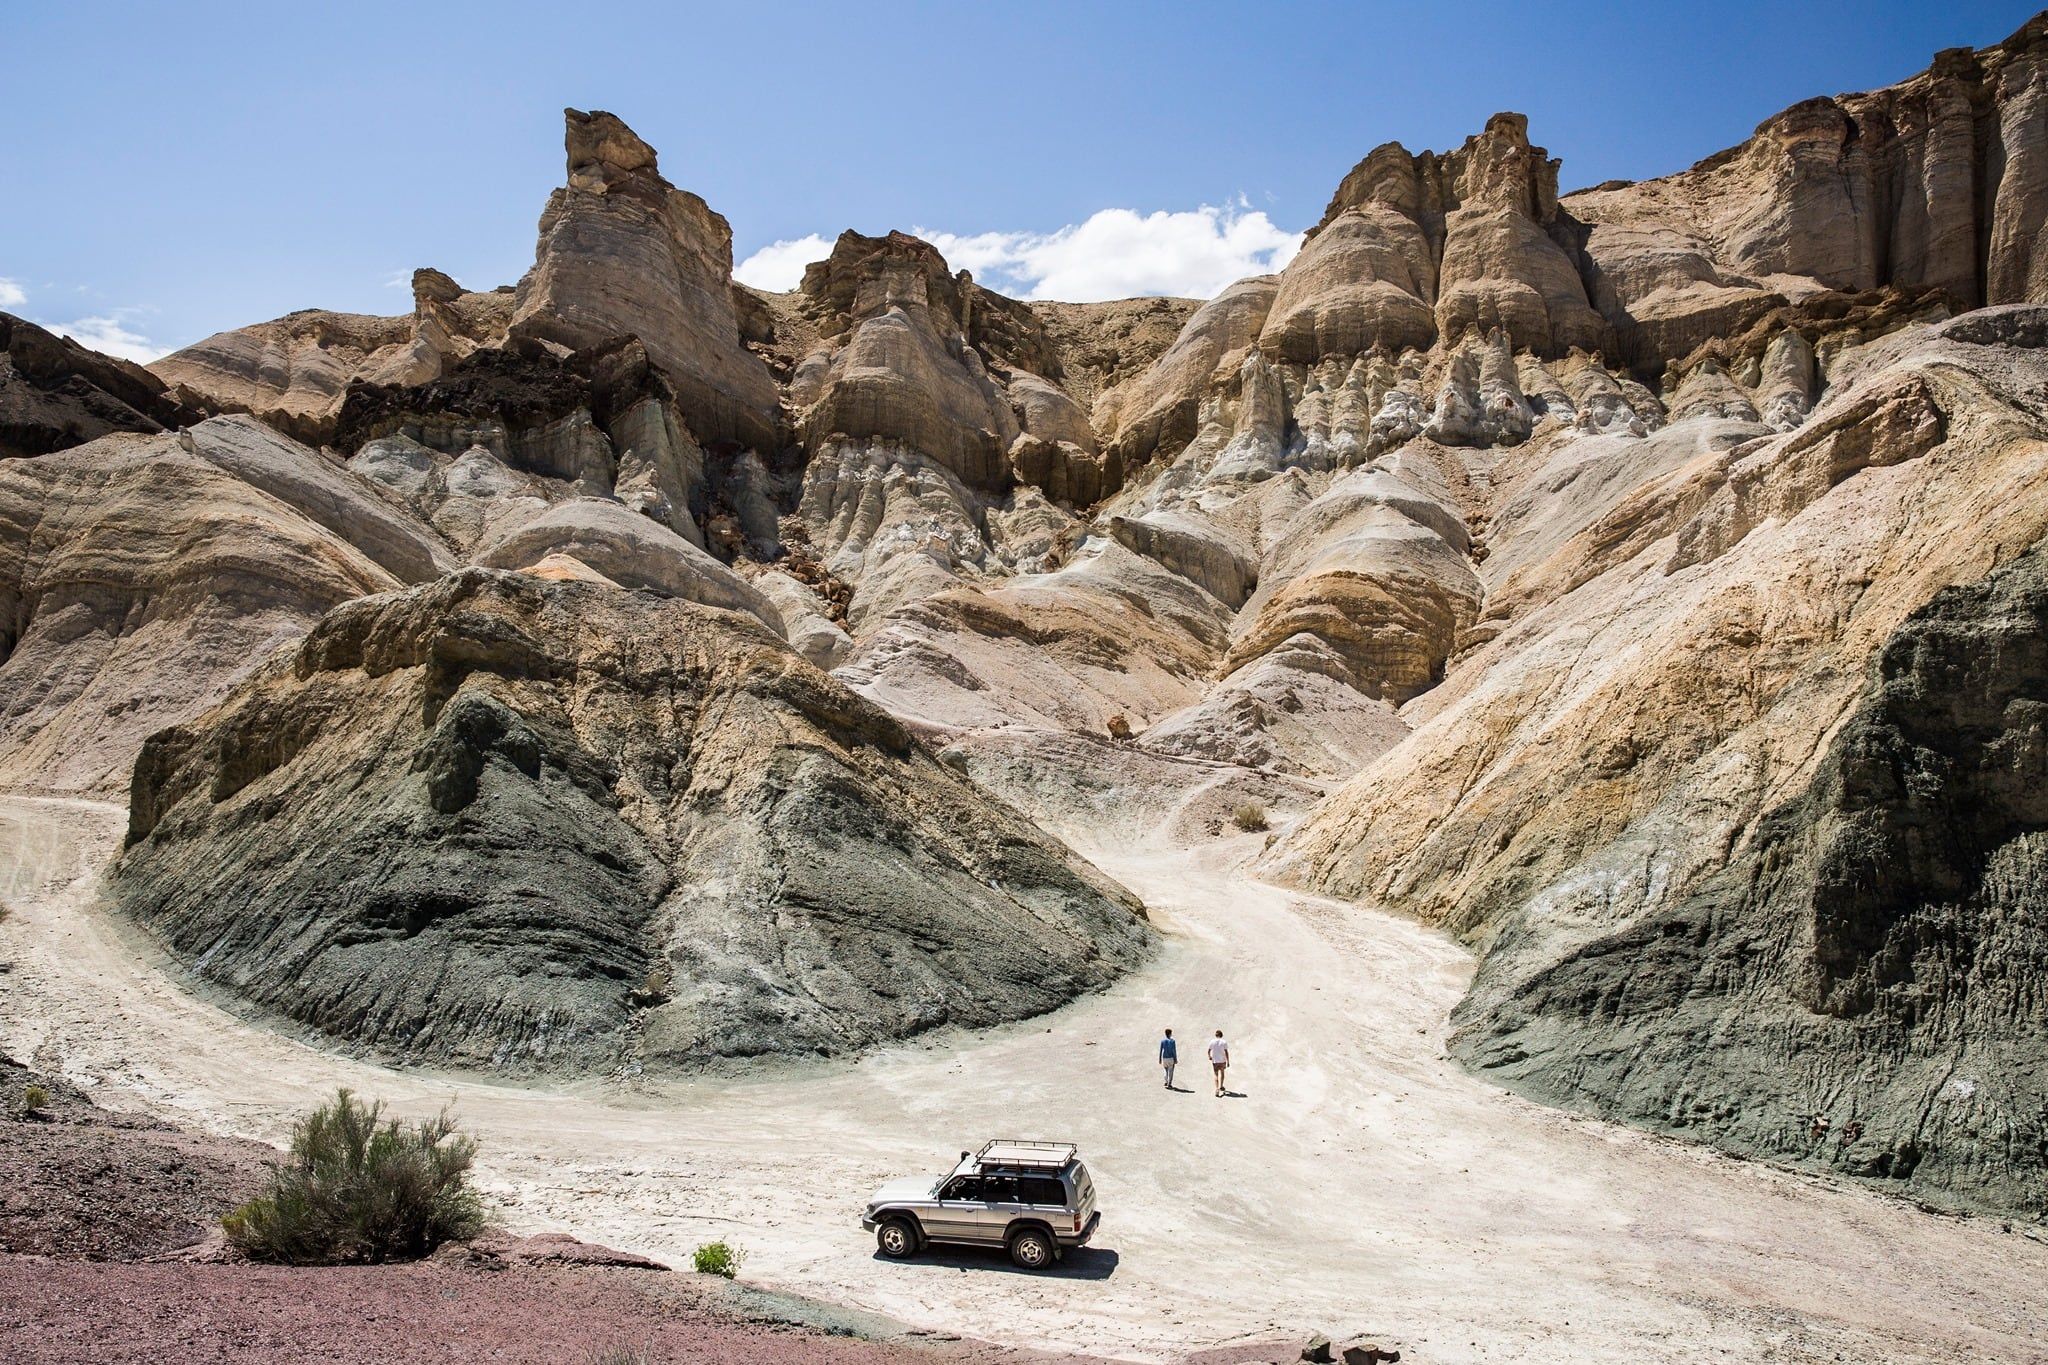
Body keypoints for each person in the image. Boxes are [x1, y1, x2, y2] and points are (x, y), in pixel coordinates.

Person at [1207, 1029, 1230, 1096]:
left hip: (1215, 1061)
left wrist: (1209, 1056)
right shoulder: (1224, 1042)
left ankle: (1217, 1088)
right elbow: (1226, 1052)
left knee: (1216, 1075)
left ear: (1216, 1035)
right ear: (1221, 1035)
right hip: (1222, 1061)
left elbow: (1208, 1050)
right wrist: (1228, 1061)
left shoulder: (1212, 1041)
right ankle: (1221, 1086)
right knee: (1222, 1074)